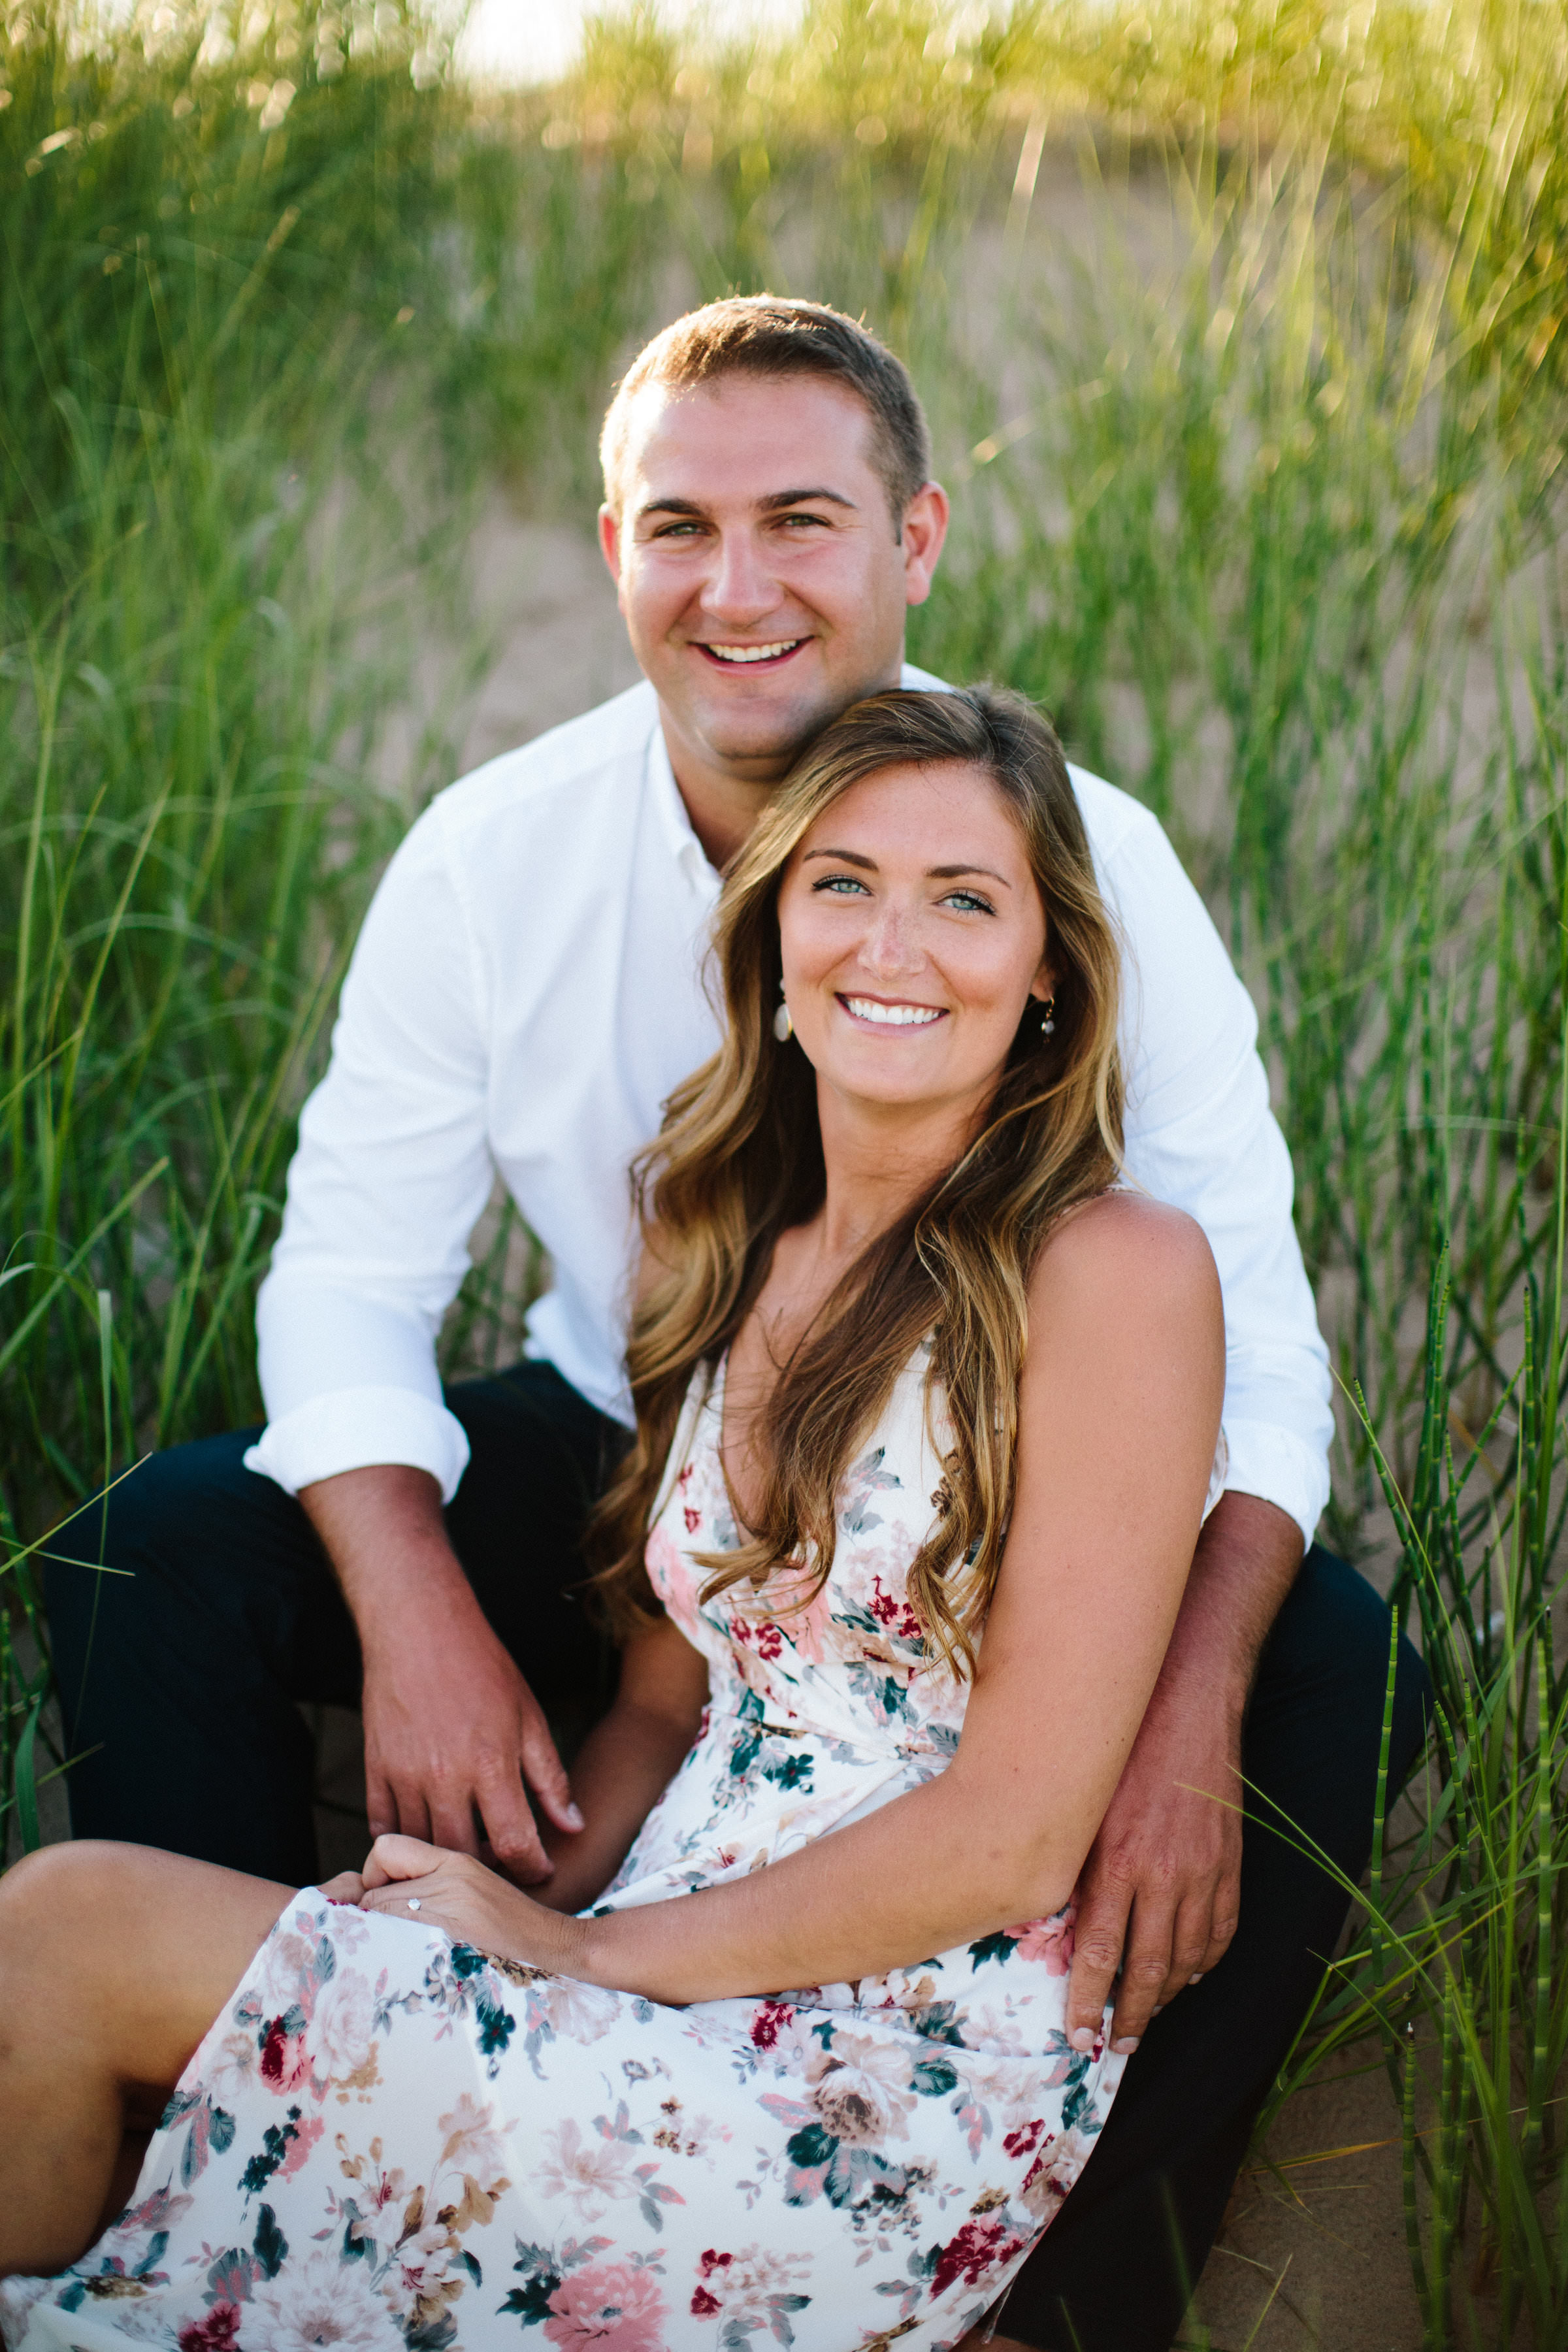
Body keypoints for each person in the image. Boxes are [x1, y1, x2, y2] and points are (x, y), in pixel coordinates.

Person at [39, 299, 1428, 2350]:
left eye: (804, 519)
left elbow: (1263, 1352)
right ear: (614, 550)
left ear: (915, 541)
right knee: (153, 1541)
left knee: (1329, 1664)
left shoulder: (1071, 848)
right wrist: (416, 1613)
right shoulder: (498, 861)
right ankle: (244, 2110)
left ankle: (1075, 2298)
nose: (743, 585)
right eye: (681, 526)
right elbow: (347, 1279)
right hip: (651, 1440)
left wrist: (1179, 1715)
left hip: (1012, 1517)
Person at [4, 687, 1232, 2349]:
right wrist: (485, 1901)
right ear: (773, 942)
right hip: (647, 1959)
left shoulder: (1112, 1272)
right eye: (844, 883)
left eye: (966, 898)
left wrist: (587, 1960)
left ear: (1047, 979)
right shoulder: (712, 1234)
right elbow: (668, 1696)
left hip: (883, 2067)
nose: (895, 942)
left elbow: (1016, 1830)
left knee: (64, 1926)